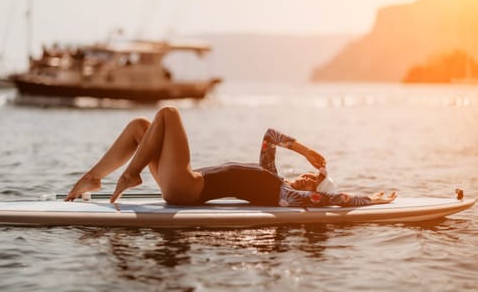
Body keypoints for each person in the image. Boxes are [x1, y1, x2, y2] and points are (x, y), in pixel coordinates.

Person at [65, 106, 396, 207]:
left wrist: (371, 200)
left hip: (186, 187)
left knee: (168, 114)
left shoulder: (285, 195)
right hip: (179, 184)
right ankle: (93, 178)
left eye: (316, 182)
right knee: (141, 126)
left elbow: (334, 200)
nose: (312, 177)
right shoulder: (275, 178)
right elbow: (269, 136)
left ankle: (130, 175)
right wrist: (306, 150)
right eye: (314, 175)